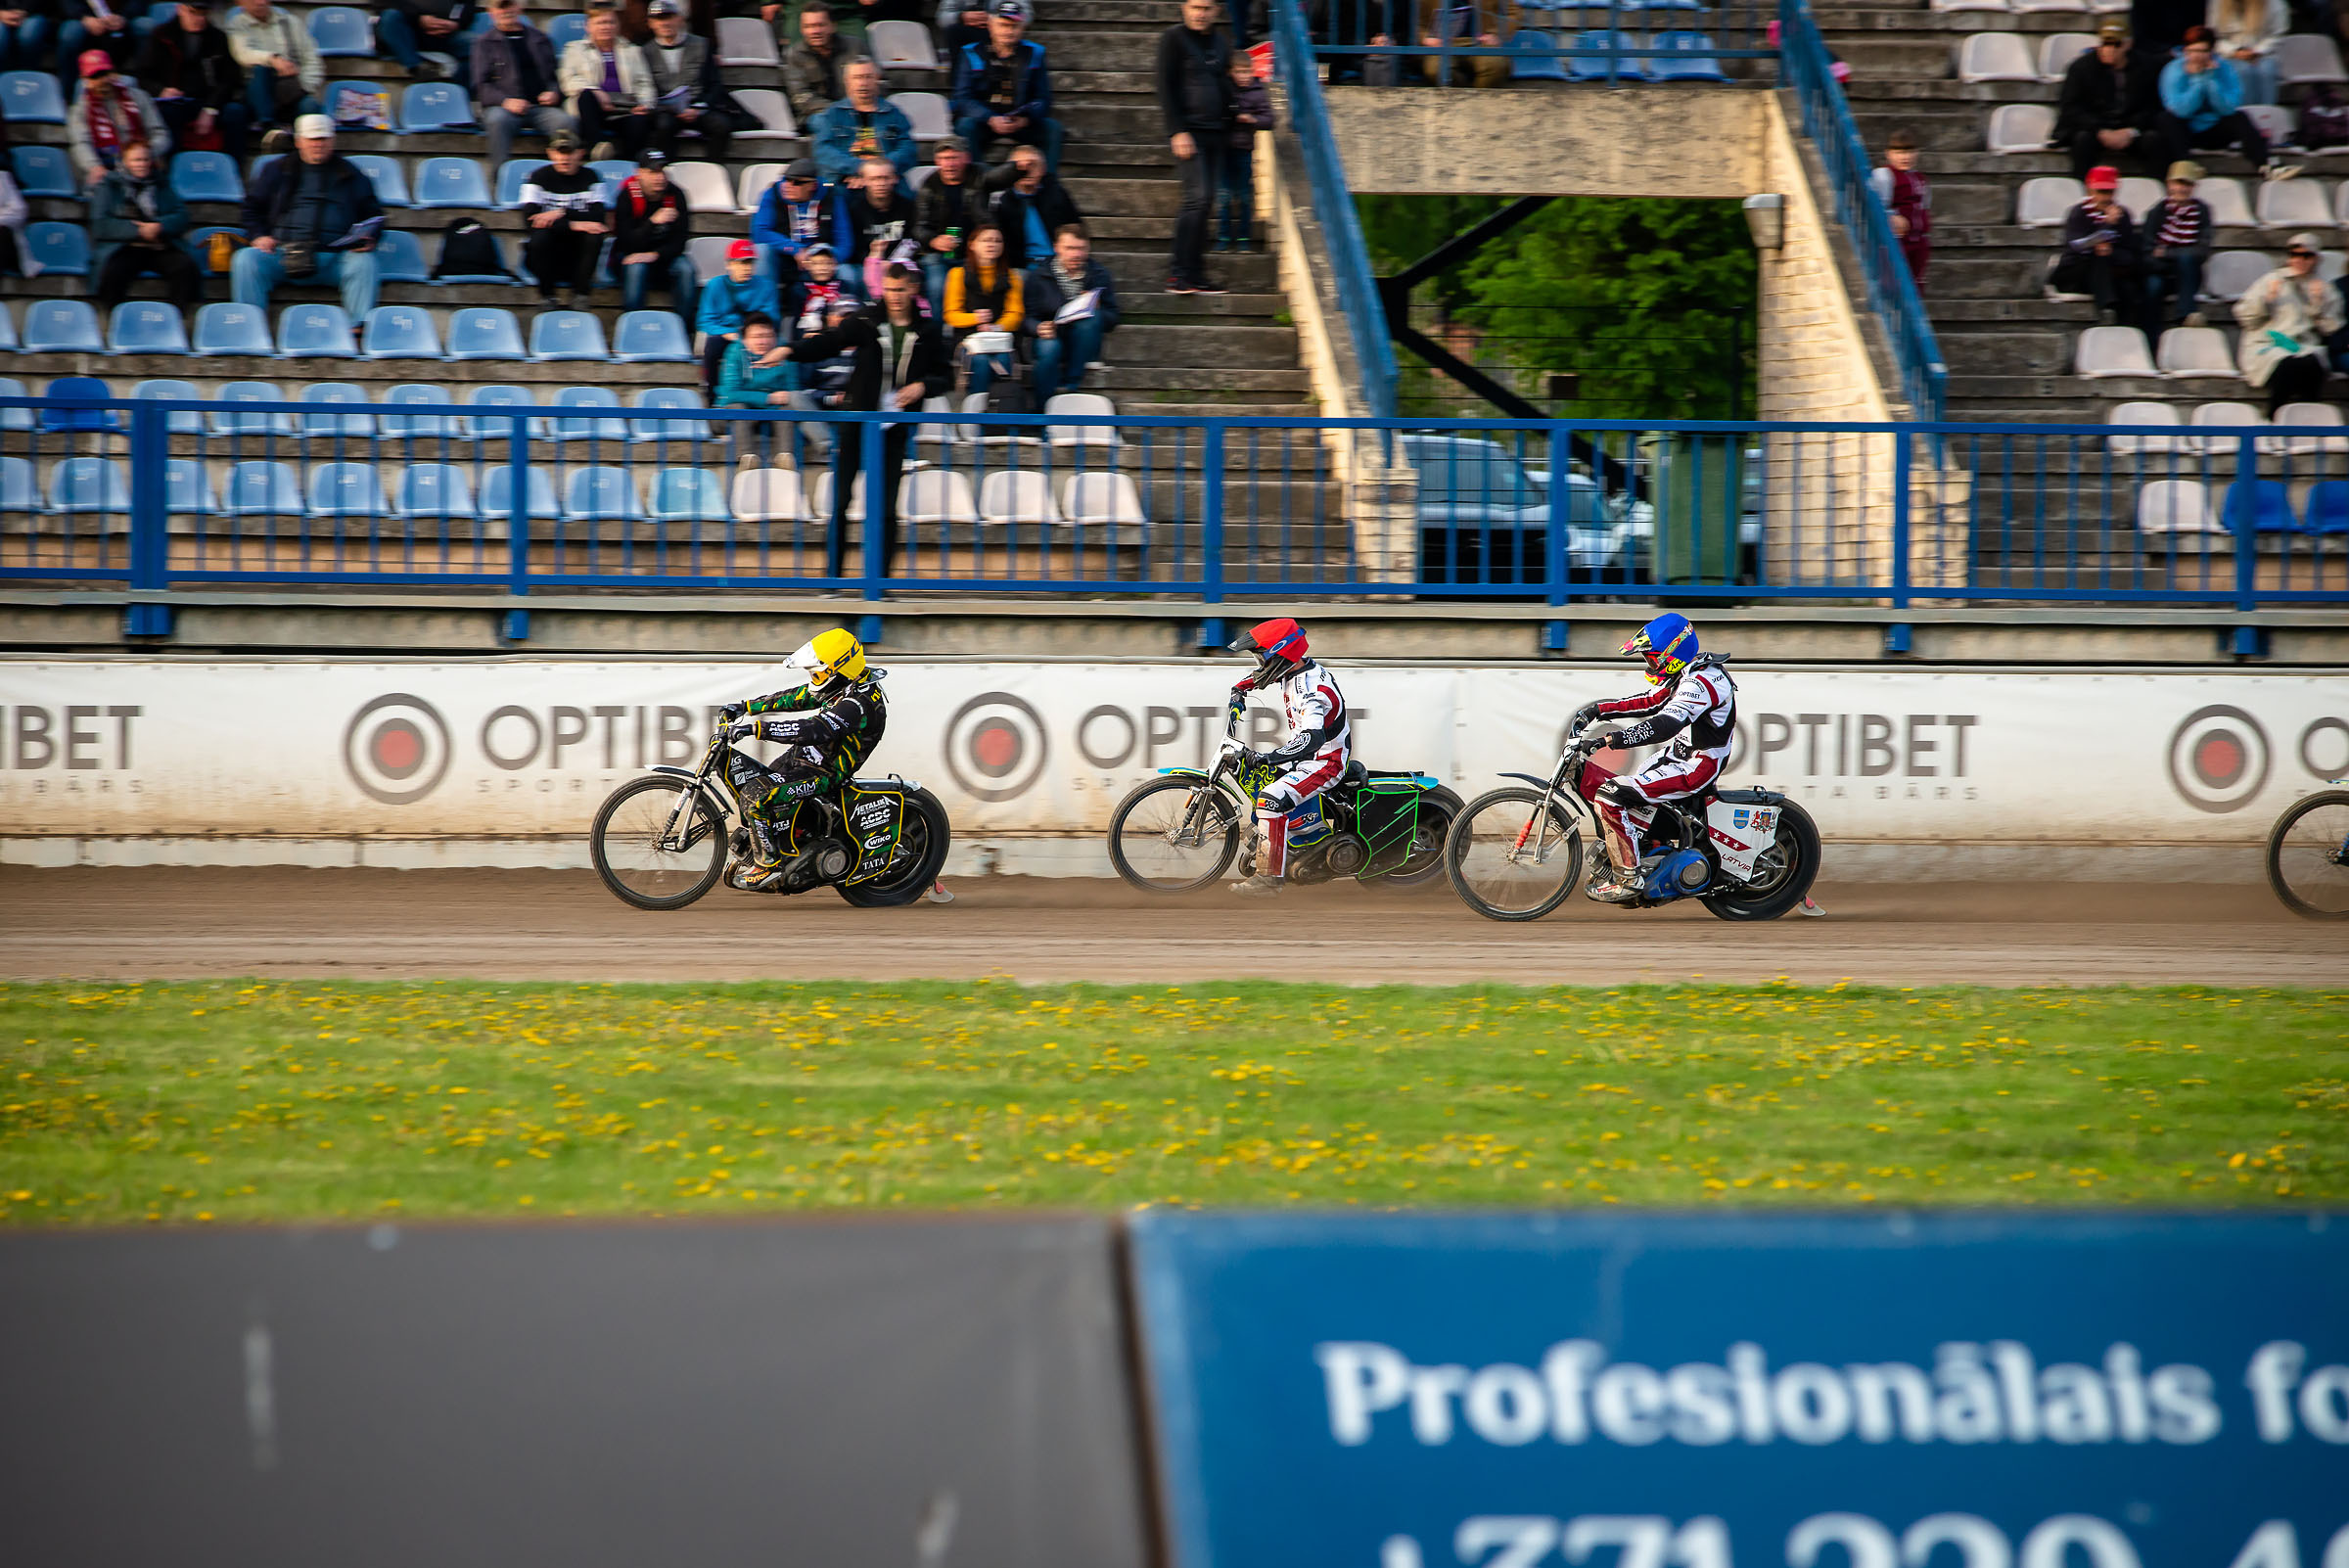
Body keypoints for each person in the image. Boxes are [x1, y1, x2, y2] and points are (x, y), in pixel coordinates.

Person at [773, 263, 951, 579]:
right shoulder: (866, 320)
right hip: (857, 421)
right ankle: (832, 578)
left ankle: (879, 581)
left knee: (886, 507)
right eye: (889, 290)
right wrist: (789, 349)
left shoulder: (928, 330)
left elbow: (945, 375)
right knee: (841, 501)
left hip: (894, 426)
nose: (894, 297)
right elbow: (829, 342)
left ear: (913, 290)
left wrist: (922, 386)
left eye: (900, 290)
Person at [1567, 612, 1737, 904]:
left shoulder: (1703, 682)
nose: (1649, 663)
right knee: (1629, 800)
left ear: (1673, 653)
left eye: (1652, 657)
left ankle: (1629, 877)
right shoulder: (1685, 674)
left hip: (1697, 767)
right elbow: (1651, 701)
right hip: (1676, 757)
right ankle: (1650, 854)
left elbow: (1665, 724)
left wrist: (1613, 739)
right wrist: (1597, 710)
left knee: (1611, 796)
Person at [714, 629, 889, 887]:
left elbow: (814, 729)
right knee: (755, 785)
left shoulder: (857, 703)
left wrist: (758, 729)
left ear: (839, 670)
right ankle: (778, 846)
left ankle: (769, 865)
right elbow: (801, 697)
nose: (813, 677)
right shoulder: (845, 684)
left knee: (755, 794)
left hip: (826, 773)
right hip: (807, 758)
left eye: (817, 672)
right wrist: (746, 706)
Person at [1222, 617, 1351, 898]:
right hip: (1307, 758)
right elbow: (1258, 678)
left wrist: (1270, 758)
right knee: (1258, 785)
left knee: (1270, 798)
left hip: (1325, 762)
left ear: (1280, 654)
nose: (1259, 665)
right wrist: (1239, 690)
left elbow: (1311, 739)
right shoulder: (1291, 670)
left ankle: (1269, 880)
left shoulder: (1313, 691)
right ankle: (1296, 841)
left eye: (1262, 658)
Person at [230, 114, 382, 319]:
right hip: (283, 253)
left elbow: (373, 214)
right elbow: (251, 208)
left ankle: (357, 330)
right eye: (312, 139)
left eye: (323, 139)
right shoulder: (276, 170)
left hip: (334, 257)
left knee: (364, 264)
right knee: (246, 260)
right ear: (299, 141)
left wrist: (370, 237)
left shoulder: (352, 174)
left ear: (333, 140)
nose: (318, 144)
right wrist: (258, 235)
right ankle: (249, 326)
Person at [1158, 0, 1233, 295]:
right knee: (1197, 198)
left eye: (1206, 8)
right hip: (1190, 133)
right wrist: (1177, 130)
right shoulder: (1173, 38)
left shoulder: (1220, 41)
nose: (1200, 13)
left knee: (1207, 203)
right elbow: (1165, 86)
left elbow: (1226, 81)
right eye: (1195, 7)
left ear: (1216, 11)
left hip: (1218, 132)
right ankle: (1178, 275)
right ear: (1184, 8)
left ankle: (1197, 274)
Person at [2159, 24, 2291, 178]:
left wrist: (2210, 78)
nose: (2197, 56)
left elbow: (2228, 109)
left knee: (2240, 117)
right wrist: (2197, 80)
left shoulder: (2225, 69)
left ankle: (2268, 165)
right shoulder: (2173, 70)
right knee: (2166, 119)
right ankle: (2186, 168)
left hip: (2215, 129)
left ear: (2211, 52)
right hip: (2186, 130)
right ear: (2185, 51)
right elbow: (2181, 110)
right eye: (2192, 51)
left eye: (2202, 51)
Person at [950, 0, 1061, 170]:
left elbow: (1043, 98)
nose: (1008, 31)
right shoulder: (971, 52)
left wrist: (1025, 119)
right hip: (985, 121)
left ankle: (1048, 184)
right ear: (990, 26)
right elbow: (963, 97)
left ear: (1022, 28)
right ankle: (980, 180)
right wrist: (989, 118)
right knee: (965, 126)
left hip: (1019, 119)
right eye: (1003, 25)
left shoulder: (1035, 53)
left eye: (1014, 26)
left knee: (1053, 128)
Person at [2235, 235, 2341, 413]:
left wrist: (2318, 306)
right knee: (2288, 365)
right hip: (2268, 343)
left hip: (2305, 345)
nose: (2299, 260)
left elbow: (2331, 329)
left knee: (2312, 364)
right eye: (2294, 255)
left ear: (2315, 258)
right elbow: (2246, 318)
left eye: (2306, 256)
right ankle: (2274, 417)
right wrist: (2267, 301)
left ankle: (2308, 419)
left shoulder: (2325, 288)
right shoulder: (2270, 281)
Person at [133, 0, 249, 161]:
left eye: (203, 13)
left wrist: (210, 109)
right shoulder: (161, 35)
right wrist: (161, 90)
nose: (199, 18)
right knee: (168, 114)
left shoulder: (218, 38)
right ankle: (173, 168)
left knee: (236, 112)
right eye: (193, 12)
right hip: (174, 101)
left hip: (209, 100)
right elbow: (142, 76)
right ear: (180, 9)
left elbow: (228, 79)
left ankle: (233, 167)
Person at [89, 137, 197, 310]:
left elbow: (181, 216)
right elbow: (101, 224)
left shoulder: (161, 183)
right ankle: (114, 320)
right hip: (124, 247)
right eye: (136, 160)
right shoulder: (108, 186)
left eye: (146, 159)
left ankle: (178, 320)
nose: (142, 164)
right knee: (113, 273)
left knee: (185, 268)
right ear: (124, 161)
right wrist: (138, 230)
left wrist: (159, 226)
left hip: (158, 246)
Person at [2050, 22, 2161, 179]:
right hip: (2093, 127)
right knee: (2082, 140)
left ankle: (2155, 190)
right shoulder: (2081, 67)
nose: (2109, 50)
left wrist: (2131, 131)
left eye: (2116, 45)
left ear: (2128, 44)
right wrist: (2100, 130)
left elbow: (2153, 106)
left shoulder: (2147, 66)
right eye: (2105, 44)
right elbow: (2070, 107)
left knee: (2154, 140)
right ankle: (2082, 193)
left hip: (2129, 127)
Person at [472, 0, 572, 168]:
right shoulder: (484, 43)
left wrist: (554, 93)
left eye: (509, 5)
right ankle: (501, 179)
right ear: (491, 12)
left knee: (565, 122)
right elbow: (480, 85)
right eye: (500, 7)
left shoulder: (540, 39)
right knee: (498, 120)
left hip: (540, 107)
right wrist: (506, 101)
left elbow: (556, 77)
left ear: (519, 7)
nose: (506, 11)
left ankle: (560, 179)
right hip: (502, 108)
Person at [1024, 222, 1118, 399]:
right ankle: (1042, 411)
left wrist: (1097, 309)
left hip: (1084, 340)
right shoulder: (1039, 276)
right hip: (1050, 336)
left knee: (1092, 317)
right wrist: (1038, 327)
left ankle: (1071, 386)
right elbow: (1027, 318)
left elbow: (1113, 317)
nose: (1076, 254)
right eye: (1069, 248)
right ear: (1056, 248)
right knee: (1049, 348)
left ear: (1088, 248)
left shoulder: (1099, 275)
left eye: (1081, 249)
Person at [2049, 164, 2144, 329]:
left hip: (2110, 273)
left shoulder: (2123, 215)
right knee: (2095, 257)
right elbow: (2077, 247)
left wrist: (2110, 251)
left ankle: (2126, 330)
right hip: (2076, 274)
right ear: (2090, 190)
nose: (2105, 197)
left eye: (2109, 192)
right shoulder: (2078, 213)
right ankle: (2107, 308)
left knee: (2127, 287)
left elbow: (2129, 253)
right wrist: (2106, 225)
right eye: (2101, 191)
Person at [640, 0, 736, 162]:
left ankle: (712, 169)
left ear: (679, 19)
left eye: (669, 17)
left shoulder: (701, 45)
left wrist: (698, 108)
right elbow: (645, 87)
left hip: (697, 106)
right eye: (659, 19)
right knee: (663, 127)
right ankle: (666, 170)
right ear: (651, 23)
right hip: (666, 110)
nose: (665, 23)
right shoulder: (644, 51)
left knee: (722, 126)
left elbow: (715, 84)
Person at [519, 128, 607, 304]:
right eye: (560, 152)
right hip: (547, 255)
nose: (564, 158)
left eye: (570, 152)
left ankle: (581, 295)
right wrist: (573, 225)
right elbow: (530, 221)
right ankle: (547, 296)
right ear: (550, 153)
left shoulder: (592, 177)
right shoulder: (537, 178)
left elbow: (598, 218)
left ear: (580, 153)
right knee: (539, 237)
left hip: (577, 255)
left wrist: (562, 213)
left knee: (594, 236)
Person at [559, 1, 653, 161]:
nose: (606, 27)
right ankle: (599, 148)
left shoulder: (632, 50)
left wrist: (645, 104)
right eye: (600, 23)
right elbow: (567, 81)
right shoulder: (574, 49)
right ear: (588, 26)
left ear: (618, 25)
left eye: (610, 22)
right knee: (586, 96)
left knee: (640, 121)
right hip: (591, 109)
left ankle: (628, 164)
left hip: (624, 108)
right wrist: (596, 91)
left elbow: (645, 83)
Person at [224, 0, 320, 150]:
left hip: (289, 91)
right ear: (240, 2)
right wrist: (272, 59)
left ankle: (302, 158)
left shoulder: (291, 23)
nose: (260, 2)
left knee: (310, 107)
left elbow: (312, 60)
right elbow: (243, 54)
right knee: (260, 71)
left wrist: (304, 87)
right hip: (254, 96)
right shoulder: (236, 25)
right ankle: (268, 126)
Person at [66, 50, 168, 188]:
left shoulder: (139, 97)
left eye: (105, 74)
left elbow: (160, 133)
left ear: (113, 73)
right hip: (106, 166)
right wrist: (94, 166)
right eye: (95, 76)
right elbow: (81, 143)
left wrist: (145, 154)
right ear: (85, 80)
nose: (102, 80)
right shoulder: (80, 110)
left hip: (142, 166)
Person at [613, 146, 694, 317]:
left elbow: (680, 241)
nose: (659, 177)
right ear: (639, 173)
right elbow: (625, 242)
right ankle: (633, 326)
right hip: (630, 255)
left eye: (662, 171)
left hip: (663, 257)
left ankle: (685, 332)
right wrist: (652, 222)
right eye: (652, 172)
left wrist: (655, 254)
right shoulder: (627, 195)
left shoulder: (676, 194)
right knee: (636, 268)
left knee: (686, 269)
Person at [944, 222, 1021, 394]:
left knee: (1002, 359)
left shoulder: (1012, 276)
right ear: (972, 244)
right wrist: (975, 318)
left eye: (997, 241)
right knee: (979, 361)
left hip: (1000, 339)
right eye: (986, 240)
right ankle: (976, 409)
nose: (991, 244)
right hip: (968, 339)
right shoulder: (957, 274)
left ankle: (1001, 410)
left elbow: (1015, 313)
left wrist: (995, 327)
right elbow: (951, 314)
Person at [811, 57, 916, 184]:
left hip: (885, 181)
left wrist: (879, 171)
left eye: (868, 77)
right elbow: (823, 151)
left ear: (877, 79)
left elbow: (908, 150)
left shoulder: (894, 114)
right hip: (844, 180)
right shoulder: (832, 114)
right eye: (857, 77)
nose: (863, 83)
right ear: (847, 81)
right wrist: (859, 168)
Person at [983, 139, 1081, 267]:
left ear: (1043, 169)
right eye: (1020, 166)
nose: (1027, 171)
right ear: (1009, 171)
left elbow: (1076, 229)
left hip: (1057, 264)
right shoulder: (1001, 200)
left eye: (1033, 165)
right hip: (1020, 267)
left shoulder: (1056, 193)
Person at [912, 136, 984, 311]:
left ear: (966, 158)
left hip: (973, 251)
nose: (949, 164)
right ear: (937, 161)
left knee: (976, 289)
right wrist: (933, 240)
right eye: (945, 159)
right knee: (937, 288)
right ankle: (936, 336)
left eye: (954, 158)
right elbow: (918, 227)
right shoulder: (929, 185)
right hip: (937, 254)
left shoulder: (980, 179)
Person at [698, 235, 779, 385]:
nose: (747, 268)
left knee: (778, 344)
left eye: (750, 263)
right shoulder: (715, 285)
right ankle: (711, 393)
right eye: (741, 263)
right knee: (712, 347)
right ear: (728, 264)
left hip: (756, 333)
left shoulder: (766, 286)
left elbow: (772, 317)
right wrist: (727, 333)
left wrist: (751, 333)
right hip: (726, 333)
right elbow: (705, 320)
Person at [2142, 160, 2214, 329]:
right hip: (2160, 271)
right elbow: (2147, 252)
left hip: (2189, 273)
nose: (2181, 189)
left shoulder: (2202, 211)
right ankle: (2151, 337)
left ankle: (2186, 315)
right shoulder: (2156, 213)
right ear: (2169, 185)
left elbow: (2202, 251)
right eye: (2177, 183)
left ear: (2193, 186)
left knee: (2188, 259)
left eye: (2187, 184)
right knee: (2153, 286)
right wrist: (2177, 256)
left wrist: (2167, 253)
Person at [749, 156, 836, 286]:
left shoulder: (830, 195)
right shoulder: (772, 194)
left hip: (820, 261)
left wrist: (820, 259)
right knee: (762, 250)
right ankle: (766, 305)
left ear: (812, 185)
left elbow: (845, 241)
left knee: (847, 273)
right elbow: (760, 232)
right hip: (782, 258)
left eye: (797, 182)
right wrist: (794, 249)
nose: (788, 185)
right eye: (787, 179)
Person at [840, 154, 914, 298]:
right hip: (866, 264)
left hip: (901, 263)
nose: (881, 183)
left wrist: (894, 263)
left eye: (885, 178)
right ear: (863, 181)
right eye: (874, 179)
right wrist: (876, 263)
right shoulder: (854, 209)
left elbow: (913, 241)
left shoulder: (908, 207)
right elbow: (855, 250)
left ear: (895, 179)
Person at [781, 2, 863, 129]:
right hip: (817, 115)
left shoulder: (856, 47)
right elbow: (800, 96)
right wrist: (839, 111)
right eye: (808, 26)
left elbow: (879, 82)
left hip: (858, 111)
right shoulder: (794, 55)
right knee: (826, 124)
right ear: (802, 30)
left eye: (820, 25)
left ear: (833, 26)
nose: (815, 31)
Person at [1867, 128, 1929, 286]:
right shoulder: (1884, 175)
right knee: (1893, 283)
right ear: (1888, 154)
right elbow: (1874, 202)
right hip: (1897, 240)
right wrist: (1890, 216)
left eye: (1909, 152)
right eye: (1899, 152)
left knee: (1916, 284)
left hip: (1919, 240)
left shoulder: (1919, 178)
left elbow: (1924, 205)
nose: (1905, 157)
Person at [1221, 49, 1268, 253]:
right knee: (1224, 196)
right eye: (1239, 72)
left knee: (1244, 195)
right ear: (1231, 72)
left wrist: (1252, 119)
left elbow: (1270, 119)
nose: (1244, 76)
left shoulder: (1258, 91)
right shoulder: (1224, 89)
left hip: (1244, 149)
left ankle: (1244, 238)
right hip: (1224, 149)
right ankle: (1223, 236)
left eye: (1247, 71)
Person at [377, 0, 476, 87]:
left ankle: (458, 94)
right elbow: (384, 3)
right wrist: (418, 17)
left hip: (446, 34)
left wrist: (457, 23)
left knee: (475, 45)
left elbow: (468, 6)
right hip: (407, 31)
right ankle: (417, 67)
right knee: (390, 17)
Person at [2209, 0, 2285, 106]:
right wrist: (2234, 51)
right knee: (2242, 71)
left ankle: (2266, 115)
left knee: (2266, 71)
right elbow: (2213, 37)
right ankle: (2246, 115)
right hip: (2228, 54)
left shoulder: (2274, 3)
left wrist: (2257, 51)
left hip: (2263, 53)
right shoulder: (2217, 3)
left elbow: (2277, 35)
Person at [714, 307, 795, 406]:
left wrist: (785, 398)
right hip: (743, 407)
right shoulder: (734, 352)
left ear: (776, 338)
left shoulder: (785, 351)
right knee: (738, 408)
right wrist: (768, 398)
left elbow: (793, 389)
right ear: (744, 340)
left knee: (789, 411)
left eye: (768, 336)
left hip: (776, 408)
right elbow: (730, 394)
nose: (763, 342)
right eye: (756, 336)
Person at [54, 0, 133, 85]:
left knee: (138, 27)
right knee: (71, 32)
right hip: (79, 17)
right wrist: (84, 17)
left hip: (118, 18)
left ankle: (117, 83)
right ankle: (67, 90)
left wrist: (123, 17)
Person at [0, 0, 52, 75]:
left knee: (29, 33)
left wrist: (23, 11)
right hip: (2, 13)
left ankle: (27, 78)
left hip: (33, 12)